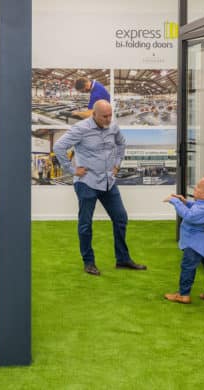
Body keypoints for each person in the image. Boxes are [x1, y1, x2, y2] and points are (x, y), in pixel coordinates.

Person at [54, 100, 146, 276]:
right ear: (94, 114)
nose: (108, 119)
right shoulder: (81, 129)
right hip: (86, 182)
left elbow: (121, 144)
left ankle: (123, 259)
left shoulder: (113, 127)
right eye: (104, 116)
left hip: (108, 181)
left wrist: (117, 165)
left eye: (110, 115)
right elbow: (59, 147)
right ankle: (89, 262)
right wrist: (72, 170)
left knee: (121, 218)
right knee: (85, 224)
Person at [163, 174, 204, 304]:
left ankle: (183, 294)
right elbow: (198, 208)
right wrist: (186, 202)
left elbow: (189, 215)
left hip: (194, 243)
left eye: (198, 188)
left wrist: (175, 201)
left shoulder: (203, 209)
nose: (195, 189)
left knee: (188, 267)